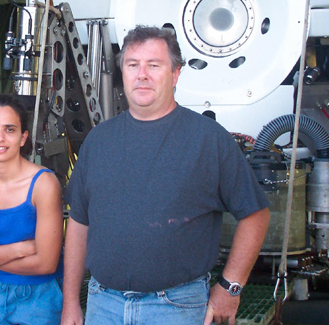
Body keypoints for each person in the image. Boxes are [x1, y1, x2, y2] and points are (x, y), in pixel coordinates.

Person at [61, 25, 270, 325]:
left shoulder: (208, 139)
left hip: (175, 307)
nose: (141, 74)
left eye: (154, 65)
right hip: (103, 304)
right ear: (123, 73)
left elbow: (256, 215)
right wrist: (71, 301)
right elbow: (79, 225)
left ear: (175, 74)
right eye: (133, 65)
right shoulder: (98, 140)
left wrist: (231, 287)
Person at [0, 94, 64, 325]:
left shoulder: (44, 184)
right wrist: (21, 248)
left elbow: (46, 263)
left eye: (9, 129)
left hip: (40, 296)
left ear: (23, 137)